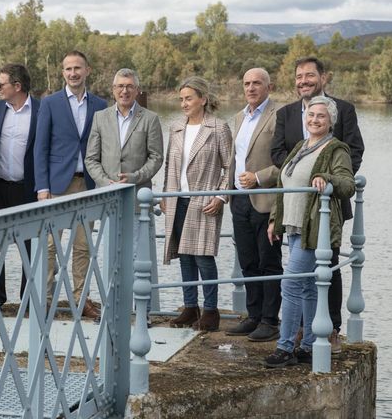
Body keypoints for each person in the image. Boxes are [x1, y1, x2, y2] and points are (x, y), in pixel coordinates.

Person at [271, 56, 365, 350]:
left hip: (324, 207)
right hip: (294, 211)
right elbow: (280, 157)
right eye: (299, 76)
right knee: (308, 282)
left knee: (326, 270)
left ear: (323, 77)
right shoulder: (287, 114)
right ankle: (307, 336)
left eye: (310, 75)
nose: (304, 81)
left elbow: (353, 153)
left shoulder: (343, 111)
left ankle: (328, 328)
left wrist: (329, 179)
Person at [34, 51, 108, 319]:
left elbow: (106, 147)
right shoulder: (50, 103)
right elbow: (39, 148)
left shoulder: (100, 105)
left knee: (83, 246)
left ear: (88, 70)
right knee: (50, 245)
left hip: (87, 184)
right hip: (56, 186)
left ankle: (81, 300)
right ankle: (44, 301)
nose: (73, 73)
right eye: (68, 69)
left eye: (78, 68)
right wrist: (42, 187)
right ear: (62, 72)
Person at [161, 76, 232, 331]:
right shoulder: (176, 127)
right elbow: (170, 164)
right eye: (181, 99)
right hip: (177, 199)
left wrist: (220, 196)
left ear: (203, 99)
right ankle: (190, 308)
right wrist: (164, 195)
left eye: (188, 98)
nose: (183, 104)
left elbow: (229, 168)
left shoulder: (218, 128)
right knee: (184, 256)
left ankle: (211, 312)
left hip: (204, 201)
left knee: (203, 257)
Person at [224, 68, 283, 342]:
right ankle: (254, 316)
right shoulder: (238, 117)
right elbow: (235, 159)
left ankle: (270, 321)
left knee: (268, 262)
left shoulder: (279, 116)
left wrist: (259, 177)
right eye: (246, 83)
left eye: (256, 83)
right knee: (247, 261)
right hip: (239, 199)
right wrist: (226, 192)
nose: (251, 88)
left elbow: (287, 159)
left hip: (266, 199)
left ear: (268, 87)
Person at [0, 63, 40, 306]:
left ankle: (27, 300)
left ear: (17, 86)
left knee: (30, 247)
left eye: (1, 84)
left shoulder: (41, 109)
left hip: (28, 189)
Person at [84, 68, 164, 192]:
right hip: (105, 194)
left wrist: (134, 178)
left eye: (130, 86)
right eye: (120, 86)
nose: (124, 91)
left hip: (138, 194)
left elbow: (156, 157)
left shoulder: (150, 119)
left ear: (137, 90)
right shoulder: (99, 117)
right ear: (113, 89)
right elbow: (91, 159)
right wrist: (105, 182)